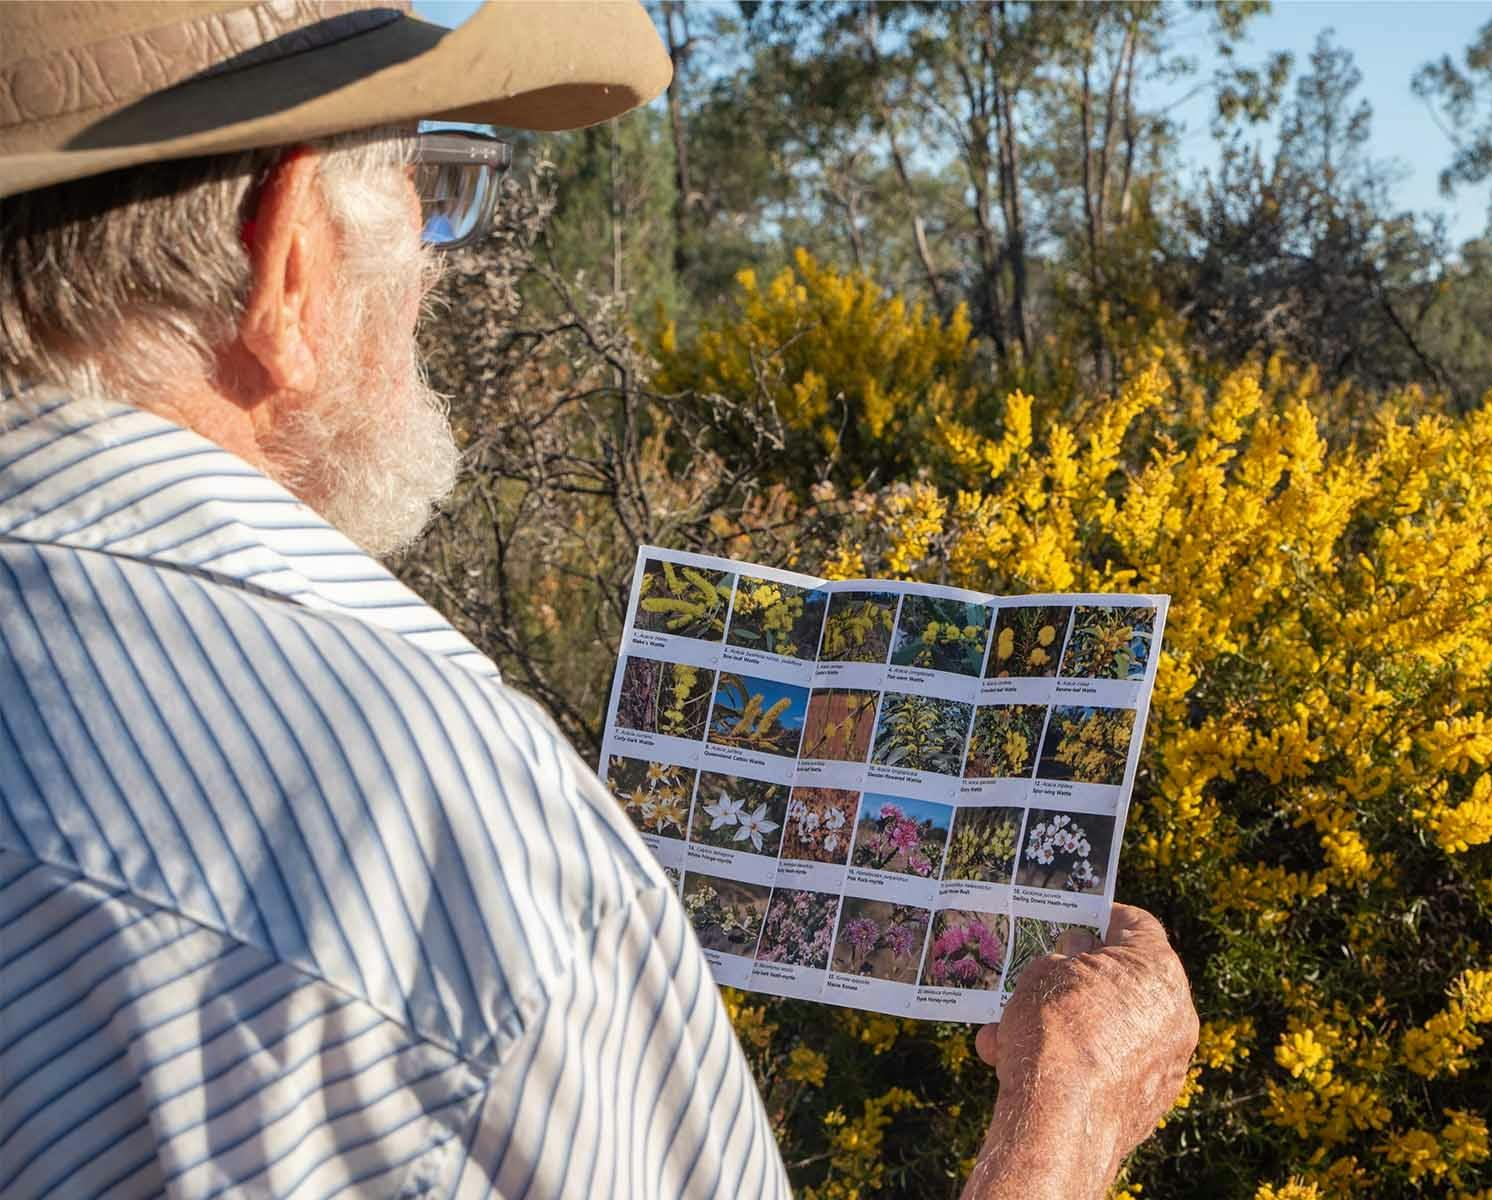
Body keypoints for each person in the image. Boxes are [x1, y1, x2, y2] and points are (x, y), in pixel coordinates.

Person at [0, 3, 1199, 1197]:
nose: (435, 274)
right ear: (289, 261)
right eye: (431, 190)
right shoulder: (442, 830)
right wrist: (1067, 1120)